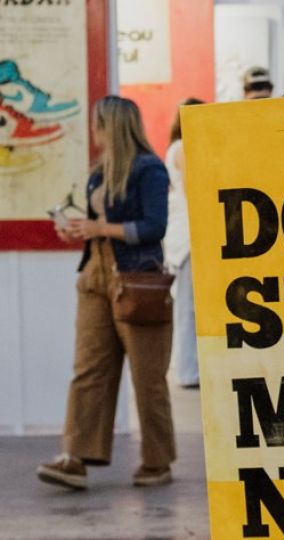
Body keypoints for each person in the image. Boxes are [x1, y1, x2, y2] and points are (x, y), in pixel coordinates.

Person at [36, 96, 174, 490]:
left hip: (136, 280)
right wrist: (81, 229)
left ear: (112, 125)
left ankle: (157, 461)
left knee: (147, 375)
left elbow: (154, 227)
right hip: (95, 276)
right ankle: (75, 456)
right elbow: (103, 224)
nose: (93, 132)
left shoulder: (149, 169)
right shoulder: (99, 173)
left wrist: (102, 230)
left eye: (98, 124)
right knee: (88, 368)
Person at [164, 98, 204, 389]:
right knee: (188, 306)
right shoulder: (183, 149)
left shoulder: (175, 148)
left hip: (182, 232)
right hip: (188, 234)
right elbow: (195, 189)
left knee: (186, 304)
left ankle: (185, 365)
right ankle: (187, 369)